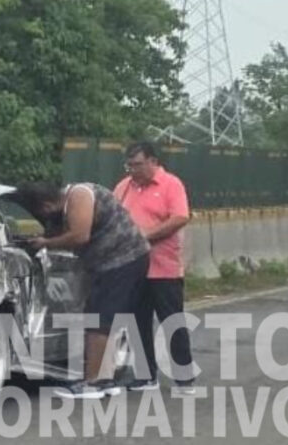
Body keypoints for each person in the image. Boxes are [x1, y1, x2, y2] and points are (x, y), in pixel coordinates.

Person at [16, 181, 151, 399]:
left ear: (45, 205)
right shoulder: (72, 199)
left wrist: (45, 242)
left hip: (121, 260)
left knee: (99, 319)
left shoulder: (78, 197)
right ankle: (105, 380)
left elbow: (80, 235)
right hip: (122, 259)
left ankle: (93, 383)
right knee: (104, 318)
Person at [114, 142, 196, 393]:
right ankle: (146, 375)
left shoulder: (171, 184)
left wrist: (146, 235)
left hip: (163, 267)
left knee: (171, 321)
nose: (133, 170)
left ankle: (184, 377)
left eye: (137, 164)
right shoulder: (124, 187)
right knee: (137, 321)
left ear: (153, 161)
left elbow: (180, 217)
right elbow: (112, 213)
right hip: (133, 267)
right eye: (129, 165)